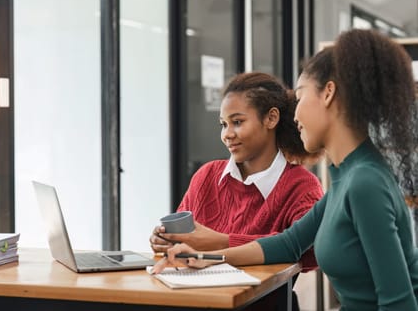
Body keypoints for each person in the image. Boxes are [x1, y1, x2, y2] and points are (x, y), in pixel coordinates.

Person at [153, 29, 418, 310]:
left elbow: (398, 303)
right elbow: (288, 243)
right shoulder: (347, 175)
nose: (295, 114)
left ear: (328, 93)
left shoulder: (364, 181)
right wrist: (203, 258)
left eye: (301, 97)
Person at [150, 72, 324, 310]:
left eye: (237, 122)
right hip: (195, 302)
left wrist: (219, 243)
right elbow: (184, 247)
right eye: (223, 124)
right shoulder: (207, 176)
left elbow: (311, 254)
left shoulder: (302, 185)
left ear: (271, 118)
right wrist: (166, 241)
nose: (227, 134)